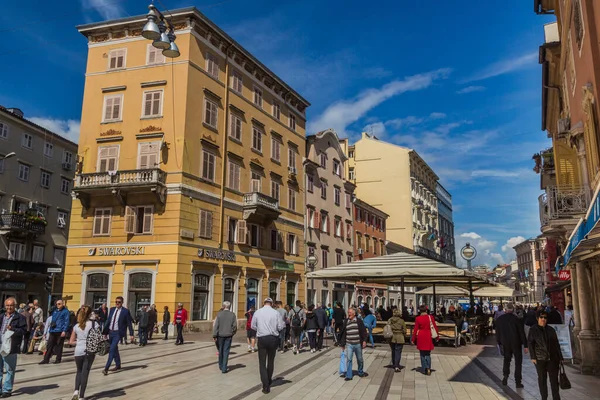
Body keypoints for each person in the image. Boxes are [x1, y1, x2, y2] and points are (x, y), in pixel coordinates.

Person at [251, 298, 285, 394]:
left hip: (262, 338)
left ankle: (265, 385)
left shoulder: (258, 312)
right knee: (271, 361)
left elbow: (253, 326)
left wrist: (260, 328)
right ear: (272, 303)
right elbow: (280, 326)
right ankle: (269, 380)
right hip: (273, 338)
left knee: (262, 362)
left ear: (264, 303)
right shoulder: (276, 313)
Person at [528, 310, 563, 400]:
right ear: (537, 318)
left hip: (552, 358)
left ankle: (556, 398)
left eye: (545, 317)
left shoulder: (551, 329)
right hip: (540, 359)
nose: (543, 319)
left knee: (554, 380)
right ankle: (544, 397)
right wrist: (533, 357)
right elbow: (531, 343)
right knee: (542, 379)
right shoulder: (533, 330)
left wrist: (560, 356)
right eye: (541, 317)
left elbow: (556, 344)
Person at [495, 302, 528, 388]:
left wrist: (499, 342)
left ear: (505, 310)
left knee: (506, 360)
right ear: (513, 310)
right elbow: (522, 333)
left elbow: (497, 333)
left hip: (505, 343)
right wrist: (525, 345)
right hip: (516, 343)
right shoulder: (517, 319)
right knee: (518, 362)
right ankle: (518, 382)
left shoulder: (499, 320)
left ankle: (505, 377)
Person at [101, 296, 134, 376]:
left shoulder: (125, 311)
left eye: (119, 302)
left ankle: (106, 368)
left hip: (118, 333)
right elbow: (108, 321)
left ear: (122, 303)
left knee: (111, 349)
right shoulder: (112, 310)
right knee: (115, 349)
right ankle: (118, 364)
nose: (117, 303)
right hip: (110, 332)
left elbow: (129, 323)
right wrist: (105, 333)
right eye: (116, 302)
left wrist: (131, 334)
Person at [69, 305, 97, 400]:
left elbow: (71, 342)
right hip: (89, 351)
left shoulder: (76, 326)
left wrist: (80, 341)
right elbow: (97, 338)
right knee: (85, 373)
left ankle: (75, 391)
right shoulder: (94, 325)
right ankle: (81, 396)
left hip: (78, 351)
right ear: (90, 314)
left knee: (79, 371)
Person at [0, 297, 26, 397]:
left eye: (11, 305)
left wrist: (13, 329)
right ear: (5, 306)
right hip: (0, 344)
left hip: (10, 346)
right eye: (7, 305)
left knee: (10, 369)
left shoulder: (20, 317)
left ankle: (7, 390)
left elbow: (23, 331)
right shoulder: (2, 316)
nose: (9, 307)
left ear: (14, 306)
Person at [340, 307, 368, 381]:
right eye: (348, 312)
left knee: (360, 359)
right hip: (349, 344)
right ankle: (349, 375)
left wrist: (364, 341)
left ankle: (360, 372)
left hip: (358, 343)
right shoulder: (346, 321)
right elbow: (343, 333)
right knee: (349, 359)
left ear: (354, 313)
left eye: (349, 312)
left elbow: (364, 332)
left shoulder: (359, 321)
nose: (348, 314)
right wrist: (342, 344)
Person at [40, 299, 70, 364]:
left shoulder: (66, 312)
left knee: (59, 345)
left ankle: (58, 359)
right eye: (57, 304)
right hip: (53, 330)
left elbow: (66, 321)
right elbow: (53, 320)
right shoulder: (55, 311)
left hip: (60, 330)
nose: (57, 305)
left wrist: (64, 330)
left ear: (63, 304)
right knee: (49, 345)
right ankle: (46, 359)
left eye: (59, 304)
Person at [412, 304, 439, 375]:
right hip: (428, 336)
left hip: (421, 336)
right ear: (426, 310)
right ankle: (429, 368)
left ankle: (424, 368)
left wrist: (413, 339)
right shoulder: (430, 317)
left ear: (420, 311)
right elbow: (435, 327)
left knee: (422, 354)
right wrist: (437, 337)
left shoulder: (418, 318)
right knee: (428, 354)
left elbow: (415, 329)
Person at [213, 301, 237, 373]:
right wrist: (232, 332)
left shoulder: (219, 314)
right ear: (229, 307)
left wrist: (214, 335)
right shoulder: (232, 315)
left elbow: (216, 325)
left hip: (220, 335)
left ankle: (220, 365)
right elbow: (235, 326)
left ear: (223, 306)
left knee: (220, 350)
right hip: (228, 335)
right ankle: (224, 367)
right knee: (226, 351)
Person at [387, 308, 406, 372]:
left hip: (392, 337)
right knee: (398, 351)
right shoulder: (401, 321)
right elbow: (404, 330)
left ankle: (394, 363)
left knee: (393, 351)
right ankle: (397, 365)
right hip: (400, 337)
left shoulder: (390, 320)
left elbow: (387, 328)